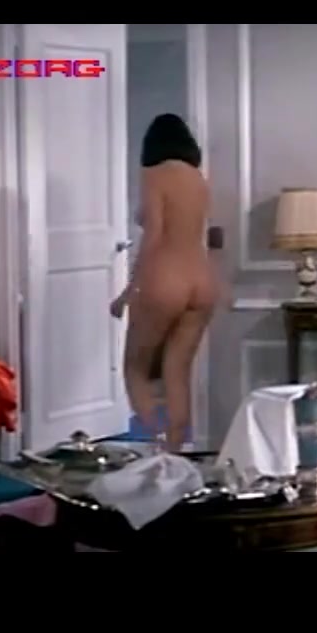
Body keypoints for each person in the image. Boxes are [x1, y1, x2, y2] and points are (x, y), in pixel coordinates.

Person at [109, 114, 218, 451]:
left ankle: (155, 446)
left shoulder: (154, 174)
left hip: (167, 278)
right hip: (202, 279)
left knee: (135, 368)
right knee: (177, 370)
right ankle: (174, 452)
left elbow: (154, 235)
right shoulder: (198, 179)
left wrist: (129, 291)